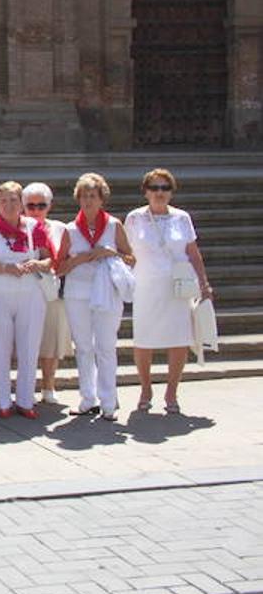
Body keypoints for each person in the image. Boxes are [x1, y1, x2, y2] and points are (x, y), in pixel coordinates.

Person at [125, 168, 211, 415]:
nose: (159, 193)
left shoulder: (182, 218)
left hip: (177, 287)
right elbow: (125, 251)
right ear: (146, 192)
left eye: (164, 188)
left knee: (179, 339)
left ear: (171, 192)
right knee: (143, 339)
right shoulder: (134, 218)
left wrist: (204, 283)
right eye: (154, 188)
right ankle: (145, 389)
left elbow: (193, 253)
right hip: (145, 286)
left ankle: (171, 391)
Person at [55, 173, 135, 420]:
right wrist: (80, 259)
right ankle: (88, 398)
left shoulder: (113, 225)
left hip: (107, 292)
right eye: (84, 196)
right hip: (77, 293)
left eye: (93, 196)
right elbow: (59, 268)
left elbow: (131, 259)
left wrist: (110, 252)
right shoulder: (70, 229)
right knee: (83, 347)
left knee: (106, 346)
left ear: (102, 199)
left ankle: (109, 402)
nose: (88, 201)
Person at [0, 181, 53, 418]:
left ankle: (26, 400)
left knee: (29, 345)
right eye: (4, 201)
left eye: (14, 200)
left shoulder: (33, 228)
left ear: (21, 203)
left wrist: (39, 263)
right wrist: (5, 267)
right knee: (0, 345)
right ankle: (3, 401)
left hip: (30, 293)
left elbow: (50, 259)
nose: (9, 205)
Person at [23, 182, 70, 405]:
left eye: (41, 205)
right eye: (30, 206)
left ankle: (48, 385)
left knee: (51, 340)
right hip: (26, 290)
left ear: (49, 206)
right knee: (28, 341)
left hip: (53, 290)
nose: (36, 210)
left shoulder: (61, 228)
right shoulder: (20, 227)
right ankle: (27, 386)